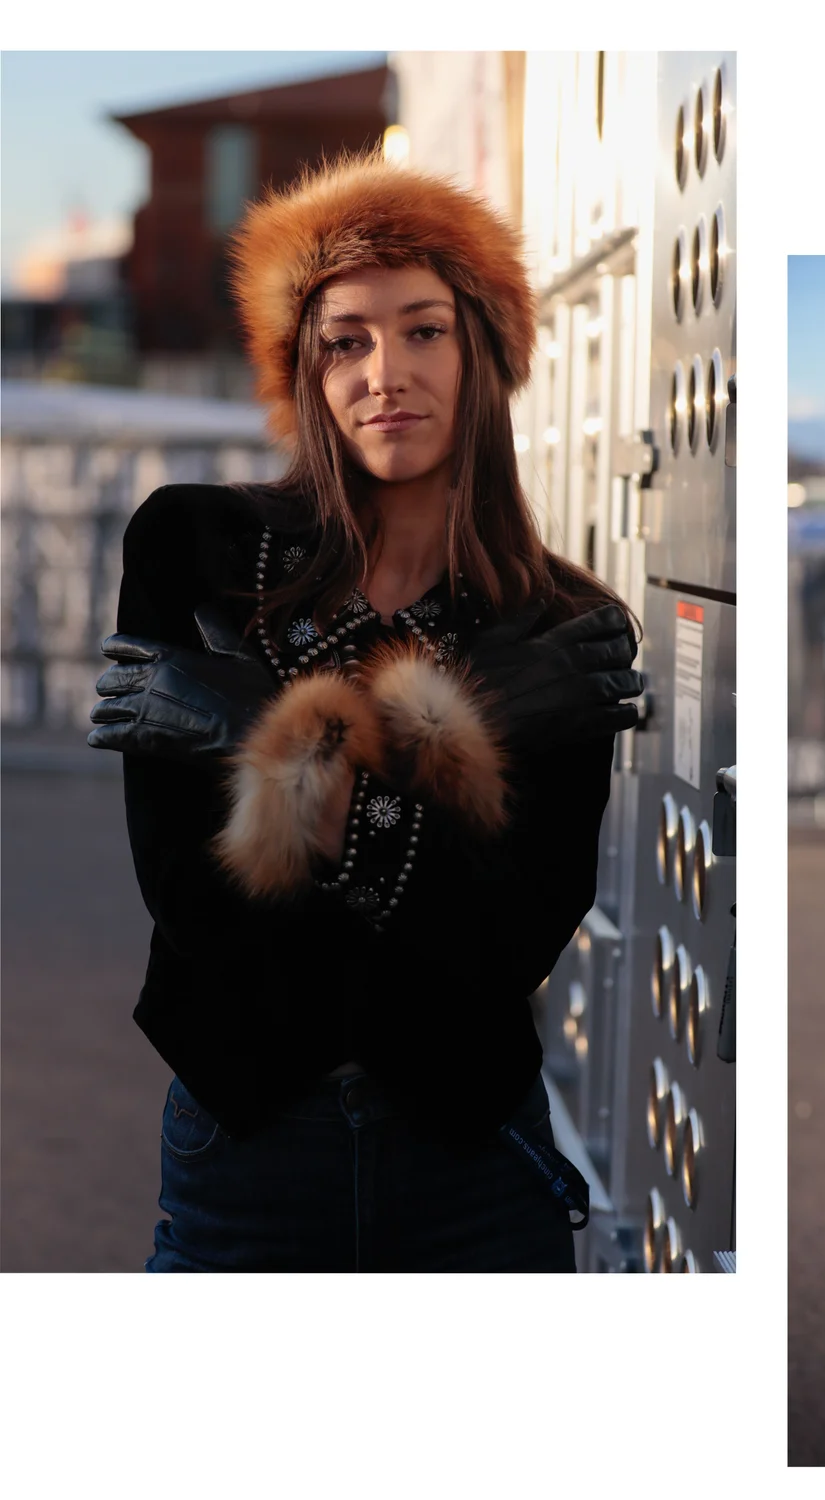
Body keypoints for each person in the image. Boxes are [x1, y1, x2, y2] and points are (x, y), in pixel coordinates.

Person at [87, 151, 642, 1273]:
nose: (386, 372)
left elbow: (502, 944)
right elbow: (199, 910)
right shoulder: (195, 551)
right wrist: (466, 742)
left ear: (483, 353)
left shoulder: (562, 626)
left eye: (424, 330)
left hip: (474, 1161)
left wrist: (263, 731)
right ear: (306, 370)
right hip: (243, 1149)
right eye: (345, 341)